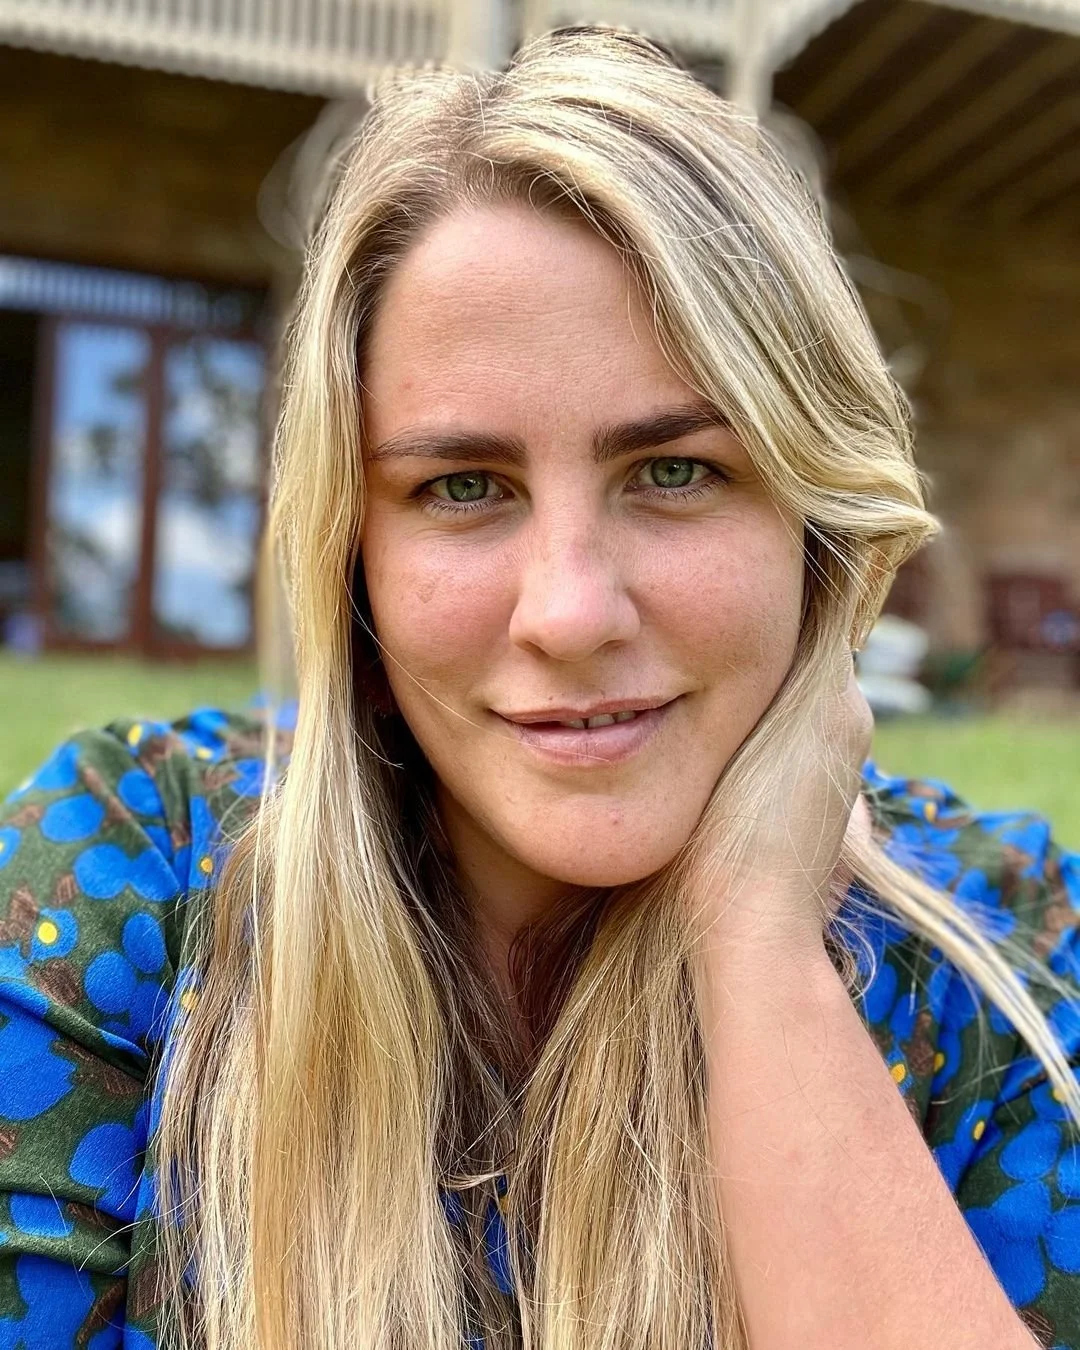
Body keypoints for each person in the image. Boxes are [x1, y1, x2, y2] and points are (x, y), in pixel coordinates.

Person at [0, 25, 1077, 1350]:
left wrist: (762, 954)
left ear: (816, 530)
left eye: (675, 470)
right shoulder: (128, 879)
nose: (570, 609)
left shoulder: (1006, 949)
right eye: (462, 487)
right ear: (357, 563)